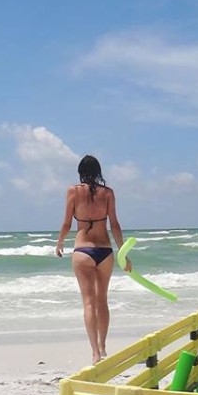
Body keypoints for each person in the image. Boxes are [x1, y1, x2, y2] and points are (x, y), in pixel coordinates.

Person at [56, 154, 129, 364]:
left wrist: (59, 243)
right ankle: (104, 346)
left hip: (83, 251)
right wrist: (124, 252)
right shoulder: (108, 193)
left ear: (80, 171)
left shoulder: (73, 191)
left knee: (88, 303)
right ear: (98, 171)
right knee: (102, 300)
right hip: (105, 251)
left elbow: (67, 224)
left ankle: (95, 352)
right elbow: (114, 224)